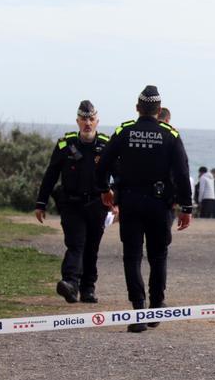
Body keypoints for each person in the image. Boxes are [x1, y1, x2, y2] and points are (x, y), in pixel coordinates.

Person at [95, 85, 193, 333]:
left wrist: (104, 190)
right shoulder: (170, 134)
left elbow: (103, 163)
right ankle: (156, 307)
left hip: (130, 202)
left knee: (132, 256)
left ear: (138, 108)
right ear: (159, 110)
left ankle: (138, 310)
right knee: (158, 256)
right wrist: (187, 207)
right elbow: (182, 173)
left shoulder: (125, 130)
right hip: (159, 205)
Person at [35, 100, 112, 304]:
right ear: (77, 121)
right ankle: (70, 283)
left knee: (92, 247)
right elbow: (50, 175)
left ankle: (88, 288)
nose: (88, 123)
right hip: (72, 204)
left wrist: (118, 203)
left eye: (91, 119)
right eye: (84, 119)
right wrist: (41, 203)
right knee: (76, 243)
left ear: (97, 121)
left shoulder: (106, 145)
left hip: (98, 204)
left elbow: (119, 175)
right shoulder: (65, 145)